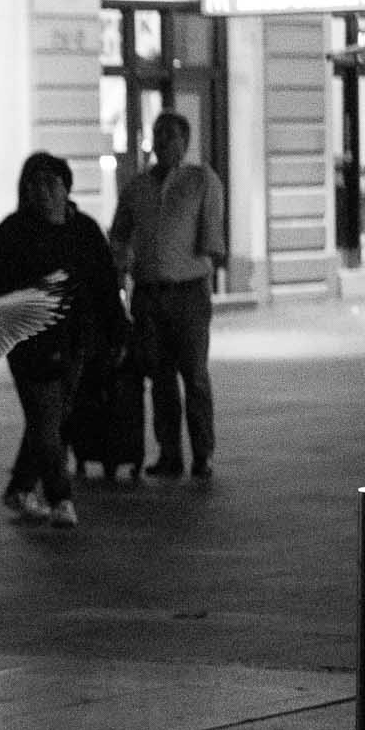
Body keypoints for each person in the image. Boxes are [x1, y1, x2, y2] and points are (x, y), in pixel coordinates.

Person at [0, 152, 125, 530]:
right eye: (34, 184)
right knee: (45, 416)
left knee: (52, 418)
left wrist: (116, 331)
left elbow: (106, 284)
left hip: (76, 339)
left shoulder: (85, 230)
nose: (42, 191)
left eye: (50, 183)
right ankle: (60, 496)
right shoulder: (14, 231)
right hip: (30, 339)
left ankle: (21, 487)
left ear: (65, 187)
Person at [109, 111, 227, 481]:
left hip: (189, 292)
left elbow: (213, 240)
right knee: (160, 378)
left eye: (170, 136)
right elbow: (119, 233)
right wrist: (120, 269)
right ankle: (169, 454)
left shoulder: (201, 180)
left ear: (184, 142)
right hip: (149, 294)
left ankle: (203, 454)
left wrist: (210, 258)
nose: (162, 143)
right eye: (158, 135)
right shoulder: (137, 186)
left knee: (194, 375)